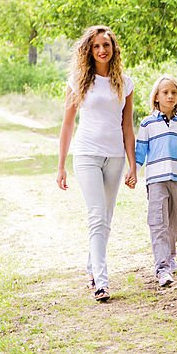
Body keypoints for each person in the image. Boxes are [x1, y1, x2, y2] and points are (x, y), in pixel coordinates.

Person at [57, 25, 137, 303]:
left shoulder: (124, 83)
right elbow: (67, 125)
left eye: (106, 45)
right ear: (88, 50)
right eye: (96, 46)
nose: (102, 50)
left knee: (106, 218)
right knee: (96, 215)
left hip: (114, 156)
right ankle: (100, 282)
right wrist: (60, 166)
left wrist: (132, 165)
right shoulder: (78, 81)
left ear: (114, 49)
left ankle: (92, 266)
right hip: (86, 154)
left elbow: (128, 126)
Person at [134, 76, 177, 288]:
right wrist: (133, 172)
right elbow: (140, 153)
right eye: (165, 92)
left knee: (176, 222)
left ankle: (171, 255)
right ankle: (162, 267)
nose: (170, 96)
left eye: (173, 92)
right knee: (158, 222)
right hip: (155, 179)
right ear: (156, 97)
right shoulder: (147, 123)